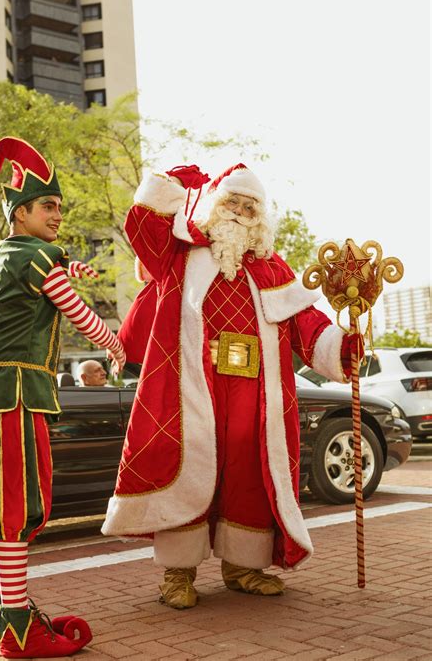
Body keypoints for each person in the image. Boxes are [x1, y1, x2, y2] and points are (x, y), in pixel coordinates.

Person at [102, 163, 362, 609]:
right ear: (215, 207)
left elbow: (307, 323)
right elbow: (144, 226)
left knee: (247, 473)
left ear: (260, 219)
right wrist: (171, 186)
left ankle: (243, 566)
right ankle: (178, 573)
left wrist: (343, 347)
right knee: (187, 469)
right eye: (232, 204)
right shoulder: (181, 253)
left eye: (249, 207)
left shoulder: (272, 269)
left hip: (253, 392)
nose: (240, 213)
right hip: (190, 386)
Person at [0, 137, 126, 658]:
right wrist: (116, 344)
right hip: (15, 398)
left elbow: (36, 289)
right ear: (21, 211)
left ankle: (3, 612)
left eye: (58, 207)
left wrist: (65, 269)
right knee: (15, 509)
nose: (57, 216)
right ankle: (18, 630)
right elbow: (80, 316)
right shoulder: (38, 256)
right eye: (48, 206)